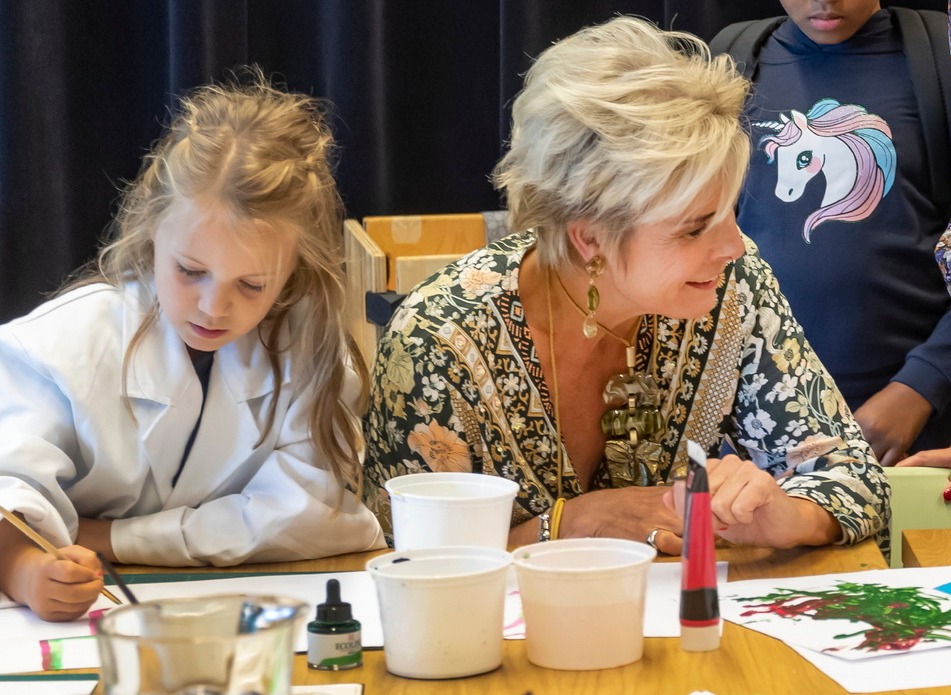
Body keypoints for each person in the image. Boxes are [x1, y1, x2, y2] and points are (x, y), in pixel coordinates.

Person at [361, 16, 889, 557]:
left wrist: (785, 513)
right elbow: (404, 559)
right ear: (589, 238)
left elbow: (856, 479)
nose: (734, 244)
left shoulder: (733, 284)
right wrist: (571, 523)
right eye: (694, 227)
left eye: (730, 213)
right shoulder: (437, 340)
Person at [0, 72, 382, 621]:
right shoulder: (60, 346)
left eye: (252, 285)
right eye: (190, 271)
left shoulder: (312, 354)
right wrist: (27, 571)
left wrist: (113, 537)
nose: (212, 307)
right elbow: (10, 497)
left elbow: (311, 519)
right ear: (153, 230)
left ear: (295, 268)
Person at [712, 0, 951, 465]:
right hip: (755, 434)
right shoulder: (727, 61)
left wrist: (922, 384)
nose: (825, 1)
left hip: (914, 427)